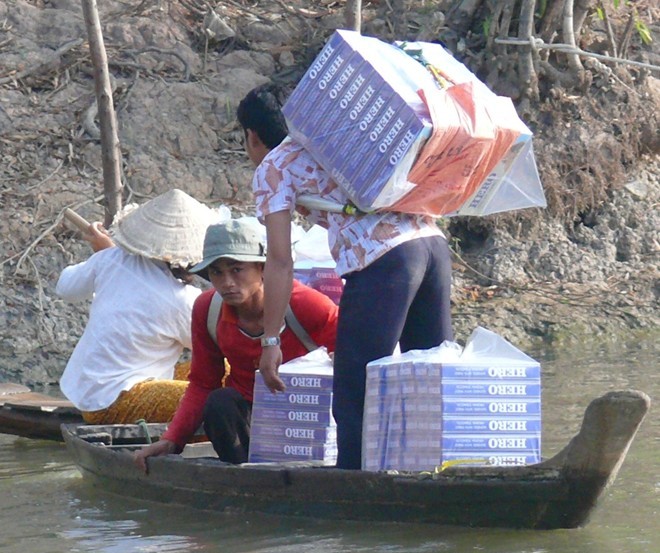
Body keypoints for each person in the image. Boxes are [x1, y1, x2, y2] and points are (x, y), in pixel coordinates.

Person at [236, 84, 454, 470]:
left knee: (355, 394)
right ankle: (439, 479)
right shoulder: (337, 140)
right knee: (428, 381)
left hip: (385, 259)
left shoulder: (274, 165)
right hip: (433, 246)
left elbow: (280, 261)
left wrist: (271, 341)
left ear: (253, 136)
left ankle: (355, 496)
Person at [133, 218, 338, 470]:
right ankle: (245, 476)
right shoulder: (208, 310)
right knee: (219, 402)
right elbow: (203, 383)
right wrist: (172, 440)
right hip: (248, 420)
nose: (227, 282)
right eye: (217, 272)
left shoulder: (305, 304)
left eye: (236, 269)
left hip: (304, 417)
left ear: (261, 269)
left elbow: (350, 357)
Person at [57, 188, 218, 424]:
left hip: (89, 392)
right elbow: (212, 348)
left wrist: (106, 256)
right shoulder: (183, 300)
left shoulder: (111, 258)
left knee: (224, 372)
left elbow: (66, 287)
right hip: (113, 402)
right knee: (223, 393)